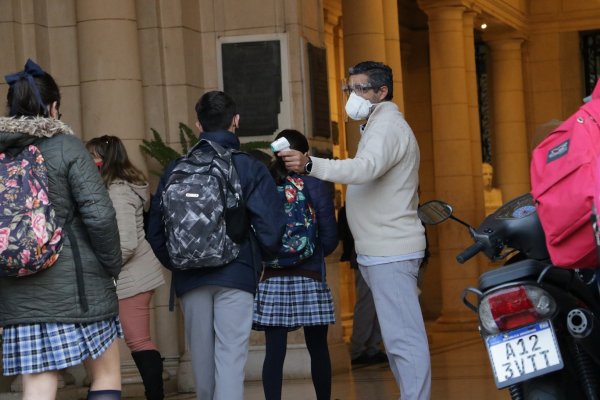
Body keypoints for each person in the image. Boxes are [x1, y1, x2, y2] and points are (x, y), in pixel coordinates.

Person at [280, 61, 431, 400]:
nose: (354, 96)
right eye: (350, 88)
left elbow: (365, 169)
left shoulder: (388, 126)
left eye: (362, 88)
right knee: (396, 339)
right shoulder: (377, 126)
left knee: (403, 338)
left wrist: (310, 164)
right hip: (382, 248)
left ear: (382, 92)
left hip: (391, 248)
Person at [146, 90, 285, 400]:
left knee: (201, 360)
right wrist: (259, 258)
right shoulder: (249, 166)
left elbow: (154, 229)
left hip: (190, 277)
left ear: (198, 125)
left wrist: (180, 259)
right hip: (236, 272)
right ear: (236, 121)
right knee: (231, 358)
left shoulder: (175, 169)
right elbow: (271, 228)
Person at [0, 59, 123, 400]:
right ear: (53, 108)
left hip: (17, 291)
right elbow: (99, 217)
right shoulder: (67, 147)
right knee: (106, 372)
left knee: (38, 386)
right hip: (79, 287)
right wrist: (112, 266)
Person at [252, 129, 338, 400]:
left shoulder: (264, 184)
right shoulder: (314, 185)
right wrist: (311, 252)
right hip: (309, 273)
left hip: (273, 276)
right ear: (305, 155)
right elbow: (330, 236)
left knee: (274, 352)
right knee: (318, 347)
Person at [86, 135, 166, 400]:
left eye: (93, 157)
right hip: (129, 278)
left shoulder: (118, 191)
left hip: (131, 278)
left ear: (105, 160)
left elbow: (126, 244)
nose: (88, 162)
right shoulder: (117, 187)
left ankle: (155, 395)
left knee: (138, 341)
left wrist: (100, 269)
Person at [337, 205, 387, 367]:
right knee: (366, 304)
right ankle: (357, 349)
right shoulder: (350, 207)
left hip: (380, 256)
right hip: (363, 257)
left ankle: (372, 347)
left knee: (379, 305)